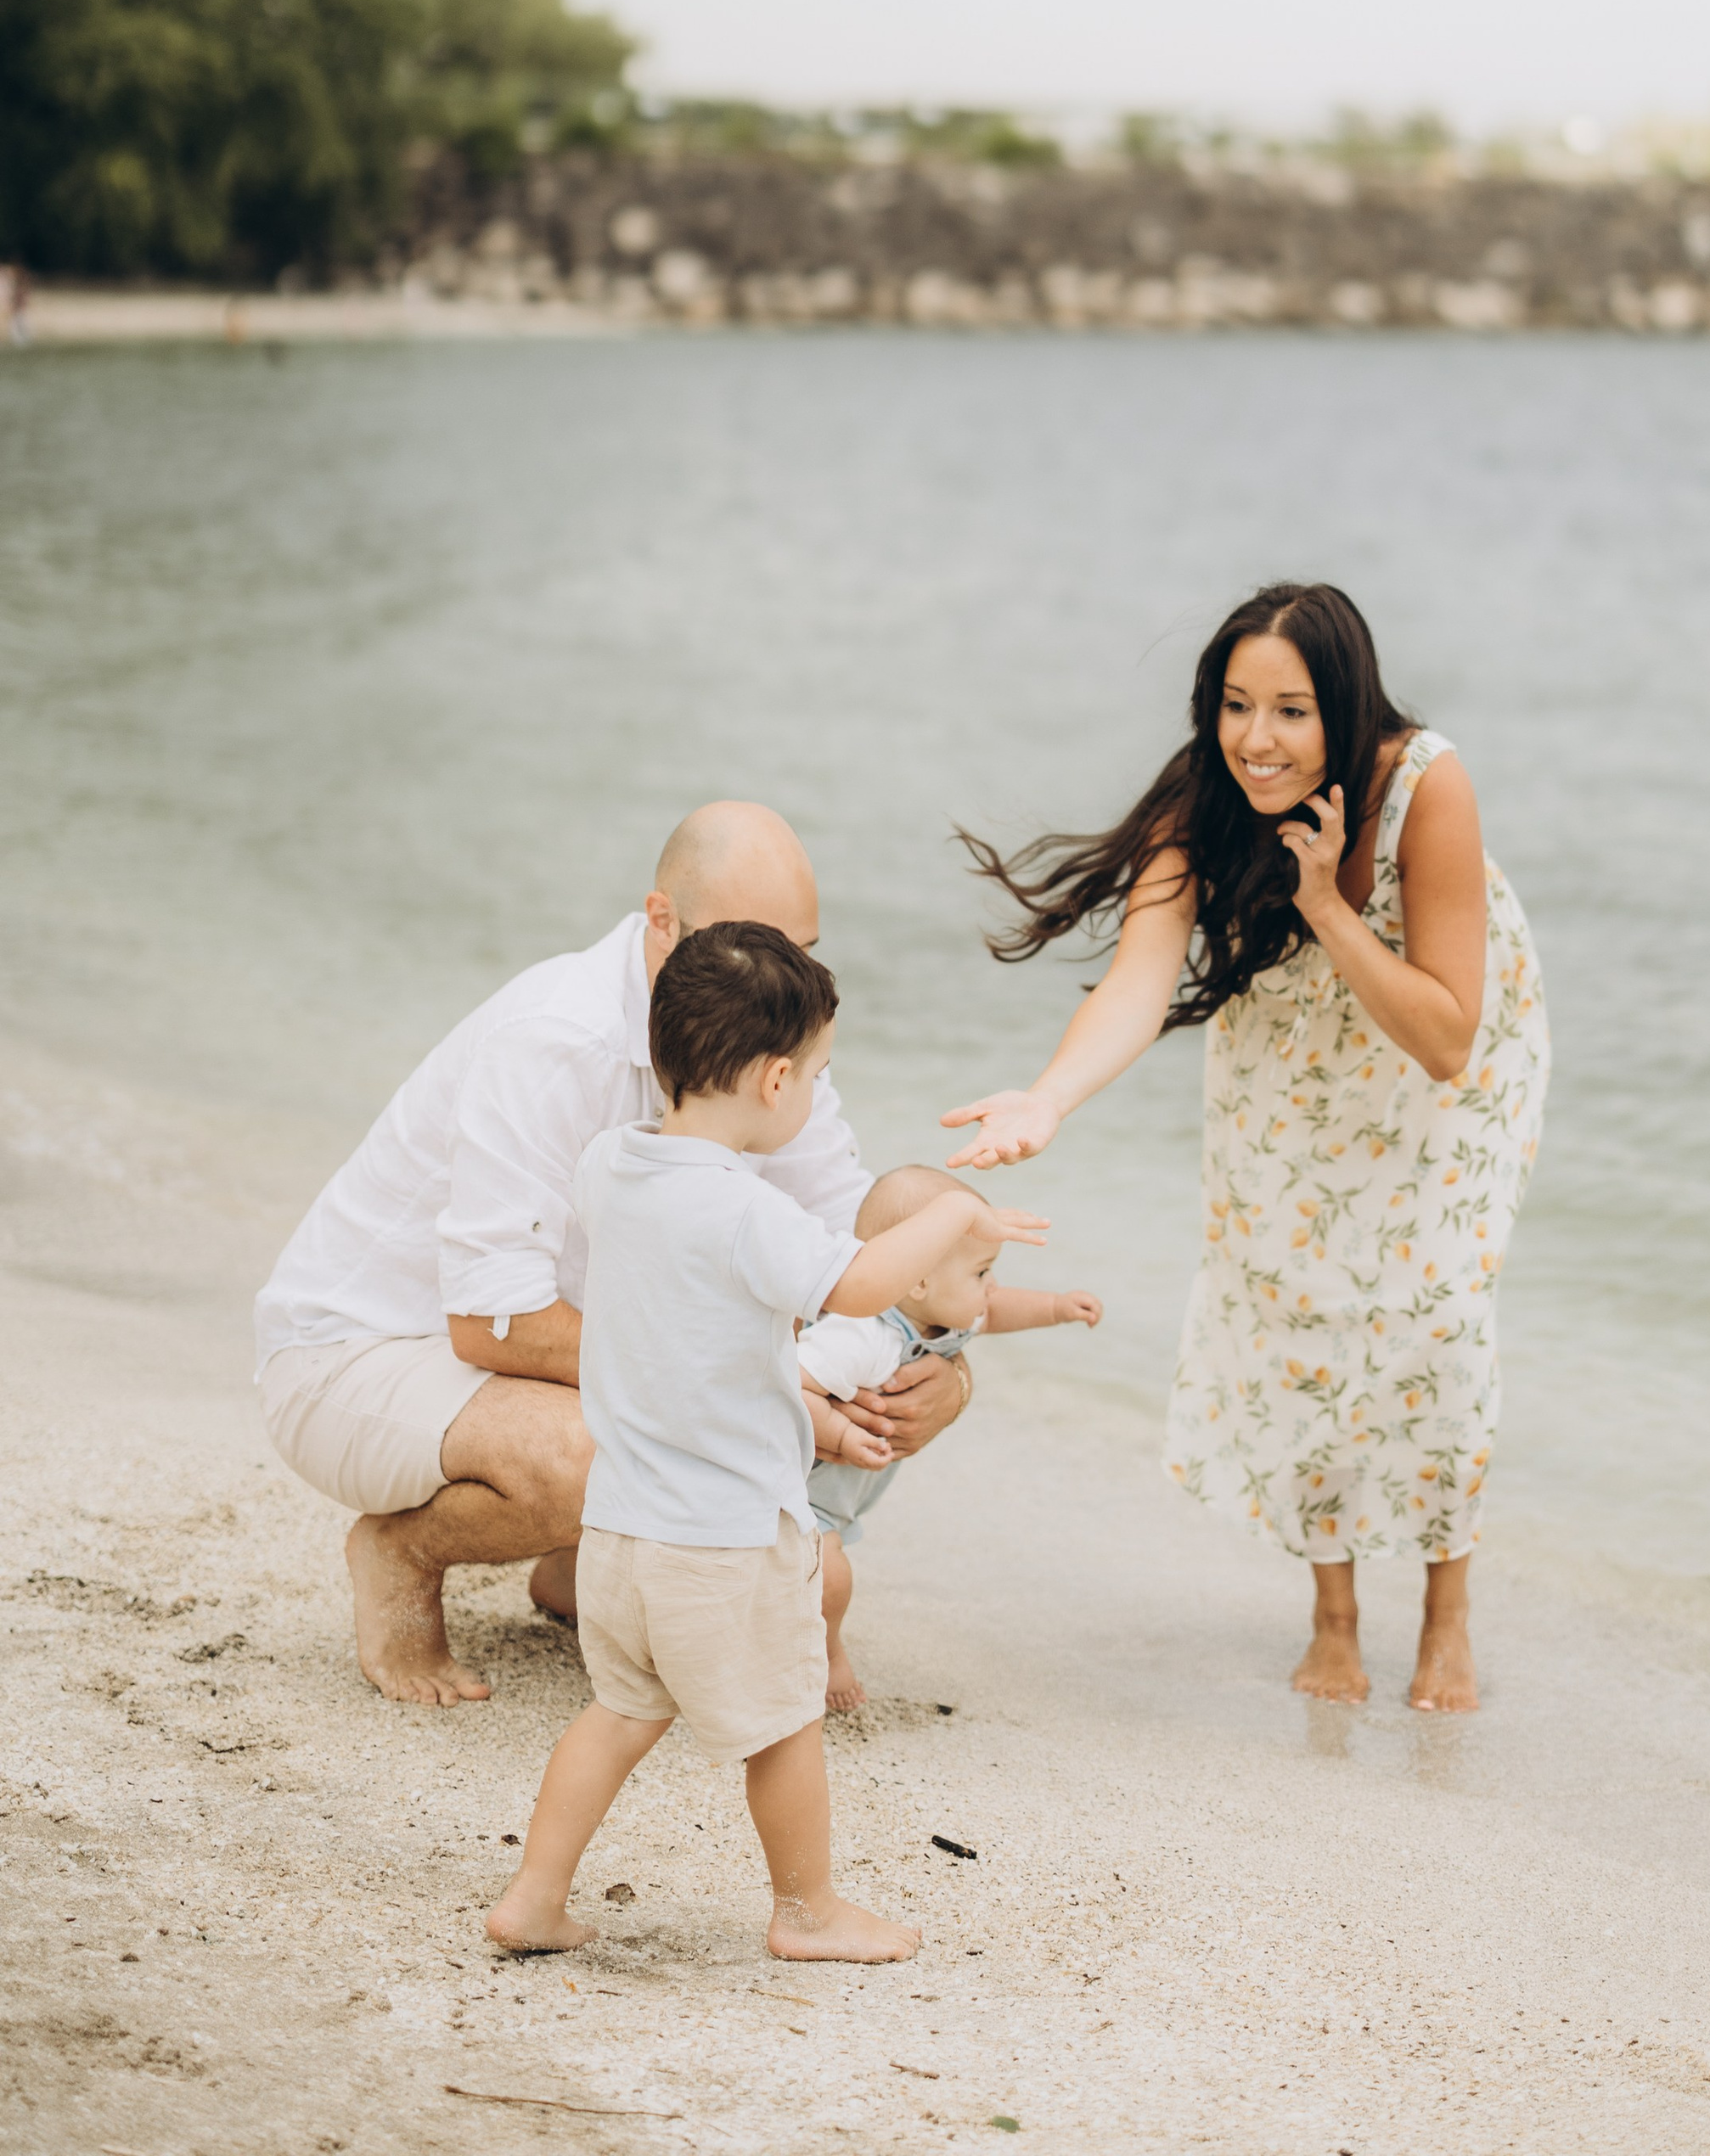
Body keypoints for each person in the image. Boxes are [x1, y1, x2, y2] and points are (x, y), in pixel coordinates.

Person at [943, 581, 1549, 1714]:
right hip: (1291, 1056)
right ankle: (1332, 1616)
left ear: (1347, 711)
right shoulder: (1205, 799)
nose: (1256, 741)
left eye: (1290, 711)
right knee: (1297, 1302)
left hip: (1440, 1051)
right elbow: (1139, 977)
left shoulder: (1428, 787)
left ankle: (1447, 1610)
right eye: (1235, 706)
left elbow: (1449, 1040)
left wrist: (1323, 902)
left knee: (1436, 1320)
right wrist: (1049, 1098)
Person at [253, 801, 970, 1707]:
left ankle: (571, 1570)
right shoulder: (559, 1041)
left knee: (820, 1373)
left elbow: (856, 1252)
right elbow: (489, 1320)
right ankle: (400, 1551)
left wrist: (941, 1367)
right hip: (358, 1359)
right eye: (755, 945)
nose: (784, 985)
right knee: (656, 1430)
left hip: (537, 1361)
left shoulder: (764, 1031)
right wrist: (741, 1375)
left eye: (804, 953)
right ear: (660, 921)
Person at [484, 922, 1047, 1965]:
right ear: (778, 1080)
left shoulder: (610, 1163)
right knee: (786, 1721)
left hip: (618, 1532)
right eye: (819, 1072)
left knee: (615, 1712)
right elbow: (863, 1286)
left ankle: (534, 1895)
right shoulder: (743, 1208)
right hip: (725, 1538)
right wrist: (961, 1213)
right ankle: (808, 1910)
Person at [796, 1162, 1103, 1710]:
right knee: (829, 1581)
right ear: (918, 1280)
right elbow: (787, 1385)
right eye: (982, 1272)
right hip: (801, 1486)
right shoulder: (861, 1333)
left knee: (812, 1574)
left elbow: (995, 1310)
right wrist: (841, 1435)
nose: (992, 1288)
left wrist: (1057, 1308)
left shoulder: (937, 1308)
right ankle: (827, 1658)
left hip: (839, 1493)